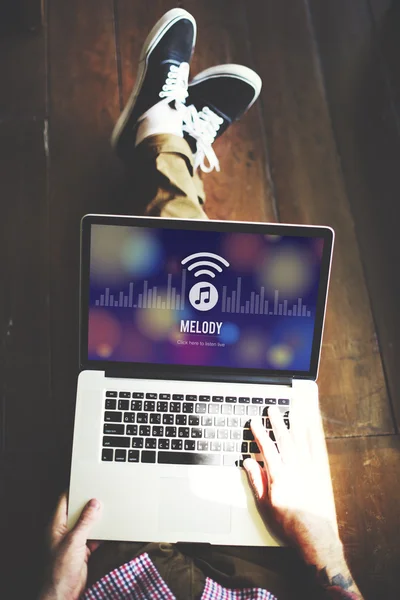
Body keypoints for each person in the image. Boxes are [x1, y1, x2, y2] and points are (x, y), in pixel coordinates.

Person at [38, 9, 363, 600]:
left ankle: (163, 142)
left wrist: (54, 594)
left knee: (173, 324)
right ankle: (167, 146)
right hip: (264, 577)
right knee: (204, 338)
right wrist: (326, 553)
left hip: (118, 573)